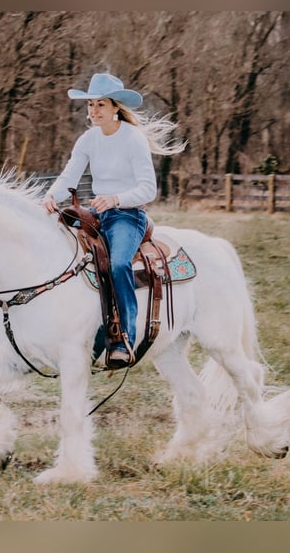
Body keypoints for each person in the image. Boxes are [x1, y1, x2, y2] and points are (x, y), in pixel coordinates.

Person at [42, 73, 186, 368]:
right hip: (98, 214)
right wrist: (50, 197)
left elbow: (149, 189)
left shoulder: (132, 139)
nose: (94, 111)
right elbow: (69, 175)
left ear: (116, 107)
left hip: (128, 215)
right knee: (62, 250)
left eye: (100, 105)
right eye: (91, 105)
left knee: (119, 263)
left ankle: (123, 339)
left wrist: (116, 198)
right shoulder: (88, 139)